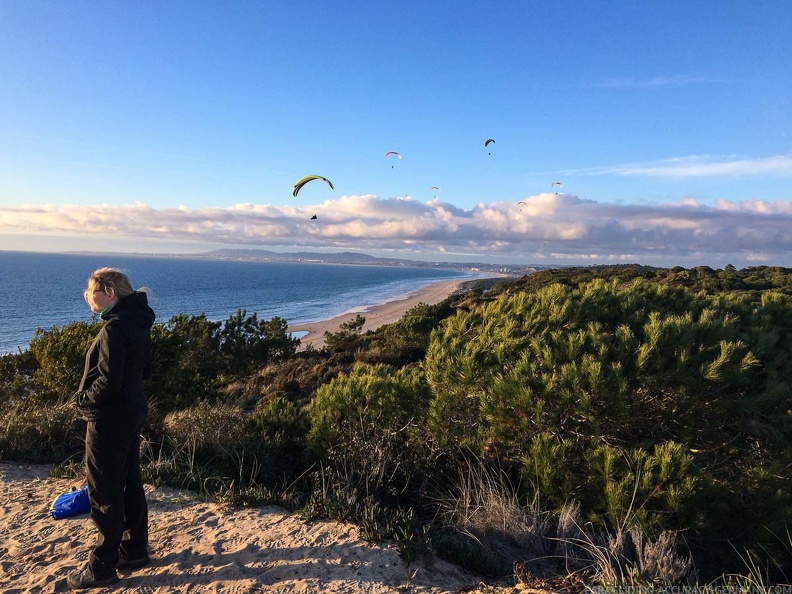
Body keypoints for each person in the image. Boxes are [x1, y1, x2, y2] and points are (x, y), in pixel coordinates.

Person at [67, 268, 156, 590]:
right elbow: (144, 368)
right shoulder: (137, 320)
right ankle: (133, 550)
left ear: (107, 291)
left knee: (104, 489)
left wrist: (85, 401)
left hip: (109, 416)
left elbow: (108, 380)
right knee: (130, 480)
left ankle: (101, 567)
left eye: (90, 291)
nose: (86, 296)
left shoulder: (114, 328)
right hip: (132, 408)